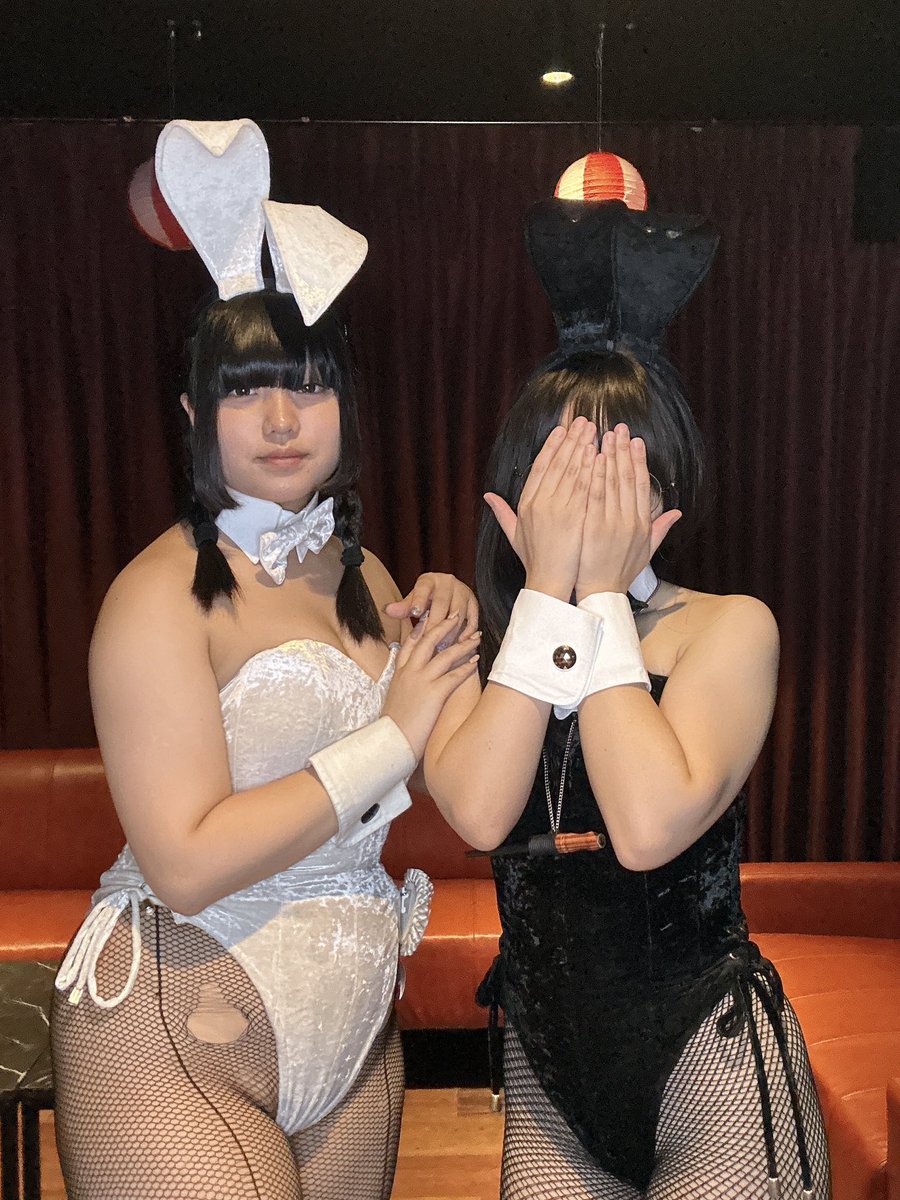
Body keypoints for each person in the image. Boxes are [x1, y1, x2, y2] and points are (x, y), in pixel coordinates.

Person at [51, 120, 480, 1200]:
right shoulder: (156, 596)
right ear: (195, 413)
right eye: (245, 390)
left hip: (353, 1033)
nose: (283, 420)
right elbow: (186, 862)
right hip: (174, 1022)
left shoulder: (369, 575)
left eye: (310, 386)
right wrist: (395, 731)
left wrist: (459, 627)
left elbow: (467, 793)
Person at [423, 197, 830, 1197]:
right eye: (568, 468)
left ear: (667, 482)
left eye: (620, 466)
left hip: (708, 1062)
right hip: (552, 1081)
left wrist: (601, 592)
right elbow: (478, 813)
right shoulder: (479, 642)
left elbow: (648, 828)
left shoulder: (729, 628)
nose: (593, 495)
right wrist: (545, 599)